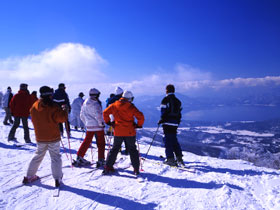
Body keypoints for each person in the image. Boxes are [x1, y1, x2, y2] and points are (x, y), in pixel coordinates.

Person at [23, 86, 68, 187]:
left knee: (38, 155)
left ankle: (29, 176)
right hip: (53, 136)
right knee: (55, 157)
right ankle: (57, 178)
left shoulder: (34, 105)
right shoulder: (53, 106)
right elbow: (61, 119)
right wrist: (64, 110)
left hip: (40, 136)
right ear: (50, 94)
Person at [102, 90, 144, 175]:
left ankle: (108, 166)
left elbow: (105, 112)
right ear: (129, 98)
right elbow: (141, 116)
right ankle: (136, 168)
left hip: (118, 131)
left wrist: (109, 122)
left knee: (115, 149)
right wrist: (138, 125)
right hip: (130, 131)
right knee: (132, 149)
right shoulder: (131, 107)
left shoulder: (115, 105)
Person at [74, 88, 106, 167]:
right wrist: (101, 123)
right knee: (101, 142)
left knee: (87, 141)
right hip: (98, 126)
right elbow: (98, 115)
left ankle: (79, 156)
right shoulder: (96, 104)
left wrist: (86, 123)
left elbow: (81, 114)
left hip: (89, 126)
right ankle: (101, 159)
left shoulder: (85, 102)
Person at [158, 84, 184, 166]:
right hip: (175, 123)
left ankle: (170, 159)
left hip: (167, 123)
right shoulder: (178, 101)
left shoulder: (165, 100)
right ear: (174, 90)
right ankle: (179, 158)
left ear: (166, 90)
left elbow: (163, 111)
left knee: (167, 141)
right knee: (174, 140)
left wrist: (162, 119)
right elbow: (179, 113)